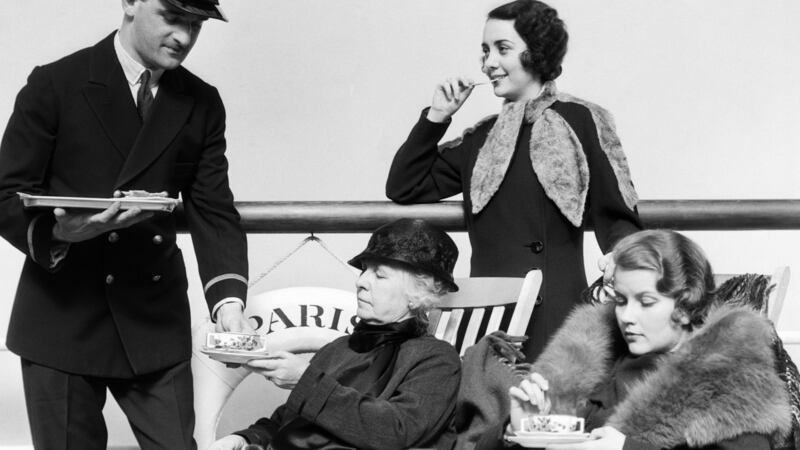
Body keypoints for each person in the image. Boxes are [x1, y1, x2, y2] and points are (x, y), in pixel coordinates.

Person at [0, 1, 250, 448]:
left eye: (196, 24)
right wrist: (60, 233)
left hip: (152, 316)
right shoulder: (55, 83)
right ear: (131, 3)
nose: (184, 37)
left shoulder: (202, 101)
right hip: (62, 319)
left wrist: (228, 304)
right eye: (172, 18)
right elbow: (4, 193)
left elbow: (213, 208)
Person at [385, 0, 642, 362]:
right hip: (486, 316)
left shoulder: (581, 120)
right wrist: (437, 116)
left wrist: (624, 262)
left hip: (557, 313)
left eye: (502, 49)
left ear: (536, 53)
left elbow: (617, 214)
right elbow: (404, 186)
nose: (488, 62)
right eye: (485, 50)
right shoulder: (481, 138)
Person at [476, 230, 792, 450]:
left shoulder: (729, 375)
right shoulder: (590, 361)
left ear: (684, 305)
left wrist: (628, 448)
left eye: (646, 301)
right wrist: (520, 428)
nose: (627, 316)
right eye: (622, 300)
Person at [209, 219, 462, 450]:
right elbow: (288, 419)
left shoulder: (437, 360)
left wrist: (305, 381)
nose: (361, 281)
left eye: (380, 275)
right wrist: (245, 438)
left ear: (418, 293)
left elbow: (396, 432)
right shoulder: (338, 348)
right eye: (365, 270)